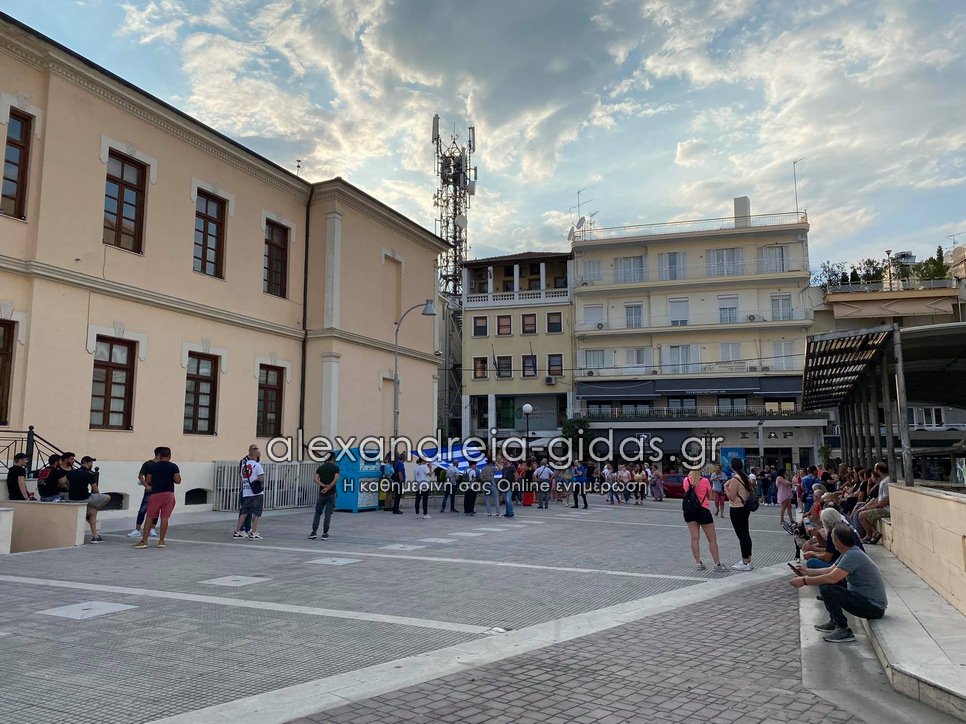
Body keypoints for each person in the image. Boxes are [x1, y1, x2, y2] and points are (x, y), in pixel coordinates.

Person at [790, 524, 888, 643]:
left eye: (832, 539)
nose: (831, 542)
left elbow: (831, 578)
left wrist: (804, 581)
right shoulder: (849, 552)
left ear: (838, 541)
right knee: (826, 584)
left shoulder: (852, 555)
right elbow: (829, 570)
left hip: (873, 607)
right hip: (865, 600)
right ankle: (834, 622)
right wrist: (806, 571)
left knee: (827, 587)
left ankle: (842, 628)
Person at [132, 447, 180, 548]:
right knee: (164, 518)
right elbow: (178, 480)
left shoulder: (152, 466)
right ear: (169, 456)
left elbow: (148, 480)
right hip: (169, 494)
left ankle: (144, 541)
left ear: (160, 455)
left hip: (155, 494)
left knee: (149, 517)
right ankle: (161, 541)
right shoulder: (174, 466)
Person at [682, 468, 725, 571]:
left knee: (694, 538)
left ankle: (698, 563)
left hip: (689, 511)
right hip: (703, 510)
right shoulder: (705, 481)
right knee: (712, 539)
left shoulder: (686, 480)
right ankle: (717, 564)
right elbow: (710, 497)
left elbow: (687, 492)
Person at [68, 456, 110, 543]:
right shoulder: (89, 474)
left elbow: (63, 482)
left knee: (93, 512)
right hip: (84, 497)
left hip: (72, 498)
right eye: (91, 463)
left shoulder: (72, 472)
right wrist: (98, 499)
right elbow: (95, 489)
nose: (92, 465)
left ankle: (95, 537)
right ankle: (96, 509)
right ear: (88, 463)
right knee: (107, 497)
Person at [724, 457, 754, 571]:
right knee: (745, 533)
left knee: (741, 535)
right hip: (745, 508)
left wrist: (726, 488)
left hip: (736, 509)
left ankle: (745, 561)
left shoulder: (735, 479)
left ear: (732, 466)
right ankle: (748, 559)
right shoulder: (745, 477)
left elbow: (731, 497)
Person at [128, 448, 162, 538]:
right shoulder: (148, 464)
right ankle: (137, 530)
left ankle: (152, 529)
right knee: (143, 509)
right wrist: (146, 486)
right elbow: (140, 476)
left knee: (156, 510)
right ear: (159, 454)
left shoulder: (163, 465)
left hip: (159, 490)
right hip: (150, 490)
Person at [234, 445, 265, 539]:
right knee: (257, 513)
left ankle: (237, 531)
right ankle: (253, 532)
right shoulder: (257, 465)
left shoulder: (244, 465)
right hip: (256, 493)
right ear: (256, 456)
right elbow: (261, 478)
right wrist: (260, 482)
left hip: (246, 491)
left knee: (244, 512)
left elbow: (241, 477)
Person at [309, 452, 340, 539]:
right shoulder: (335, 468)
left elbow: (315, 479)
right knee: (328, 514)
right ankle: (325, 533)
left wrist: (323, 486)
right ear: (333, 458)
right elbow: (335, 480)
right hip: (331, 493)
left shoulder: (321, 468)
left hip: (322, 493)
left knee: (318, 513)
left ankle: (313, 532)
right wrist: (328, 487)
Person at [859, 462, 891, 544]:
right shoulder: (883, 481)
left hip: (886, 509)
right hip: (882, 507)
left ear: (878, 471)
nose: (874, 471)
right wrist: (868, 506)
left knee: (862, 515)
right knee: (863, 512)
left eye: (875, 469)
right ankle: (875, 533)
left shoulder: (886, 482)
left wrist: (873, 507)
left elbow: (886, 500)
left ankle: (869, 536)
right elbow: (878, 498)